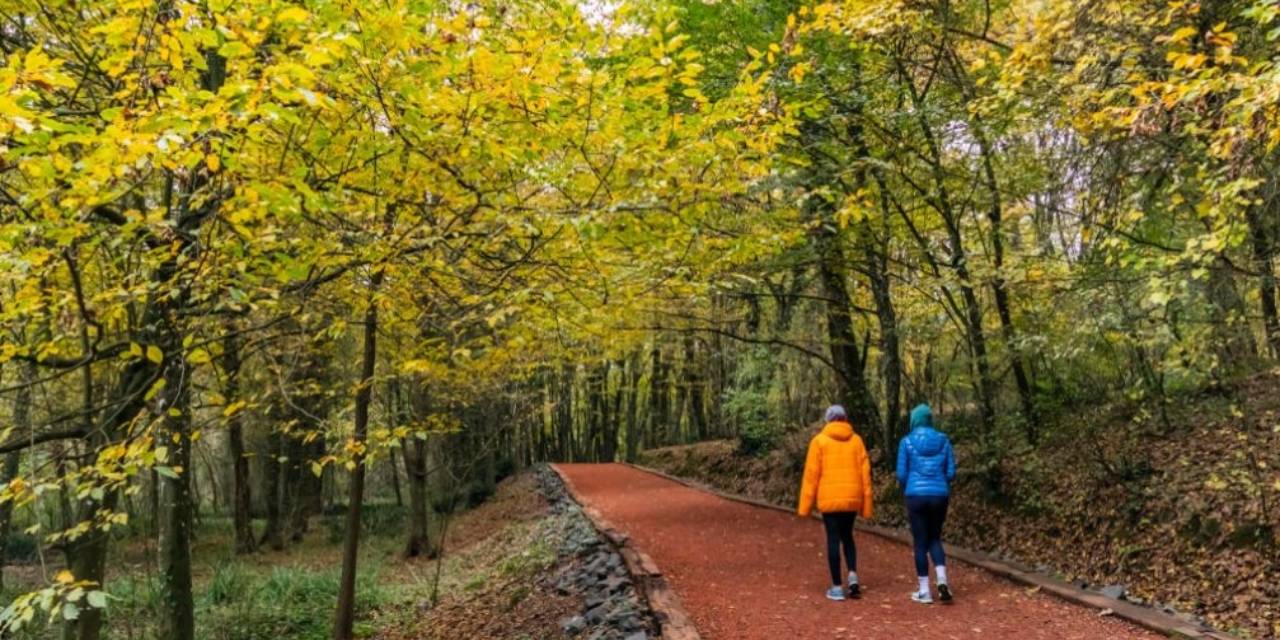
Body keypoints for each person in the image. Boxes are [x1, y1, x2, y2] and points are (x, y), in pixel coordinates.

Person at [797, 405, 873, 601]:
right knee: (848, 536)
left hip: (829, 499)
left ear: (828, 420)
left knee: (833, 538)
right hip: (852, 498)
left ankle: (837, 587)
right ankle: (853, 575)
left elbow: (811, 476)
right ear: (845, 418)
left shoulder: (819, 442)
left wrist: (805, 507)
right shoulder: (857, 441)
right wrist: (866, 505)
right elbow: (865, 475)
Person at [896, 403, 957, 605]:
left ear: (914, 420)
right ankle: (942, 581)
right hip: (940, 496)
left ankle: (924, 591)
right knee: (935, 538)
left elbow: (902, 474)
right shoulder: (944, 441)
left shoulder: (906, 442)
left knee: (920, 542)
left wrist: (911, 487)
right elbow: (950, 473)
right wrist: (939, 484)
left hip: (915, 496)